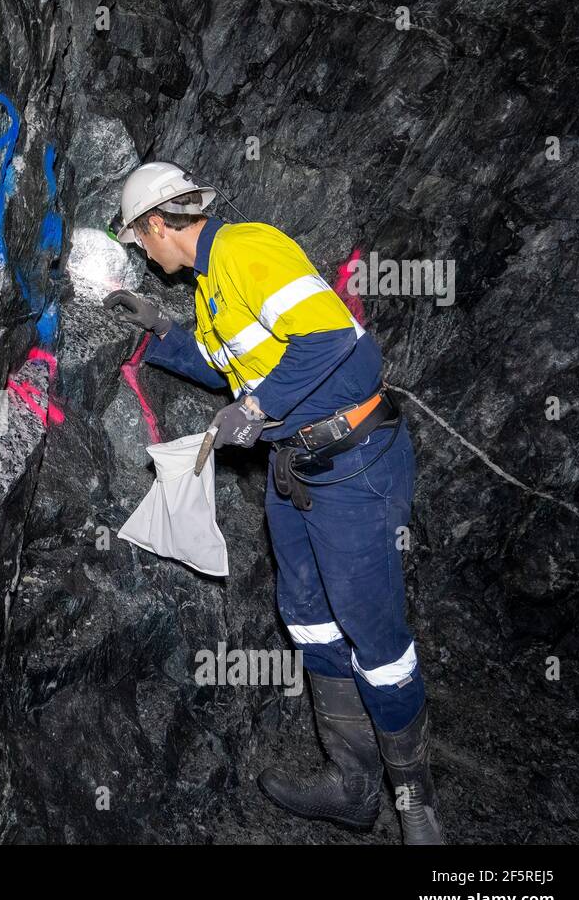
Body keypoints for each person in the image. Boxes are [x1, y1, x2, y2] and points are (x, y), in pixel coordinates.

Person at [104, 162, 443, 844]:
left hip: (354, 466)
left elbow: (332, 342)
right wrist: (158, 330)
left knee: (375, 639)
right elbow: (227, 363)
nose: (142, 250)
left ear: (157, 224)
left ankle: (415, 805)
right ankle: (351, 786)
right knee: (310, 619)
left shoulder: (245, 248)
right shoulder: (209, 287)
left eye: (139, 238)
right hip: (298, 470)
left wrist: (255, 407)